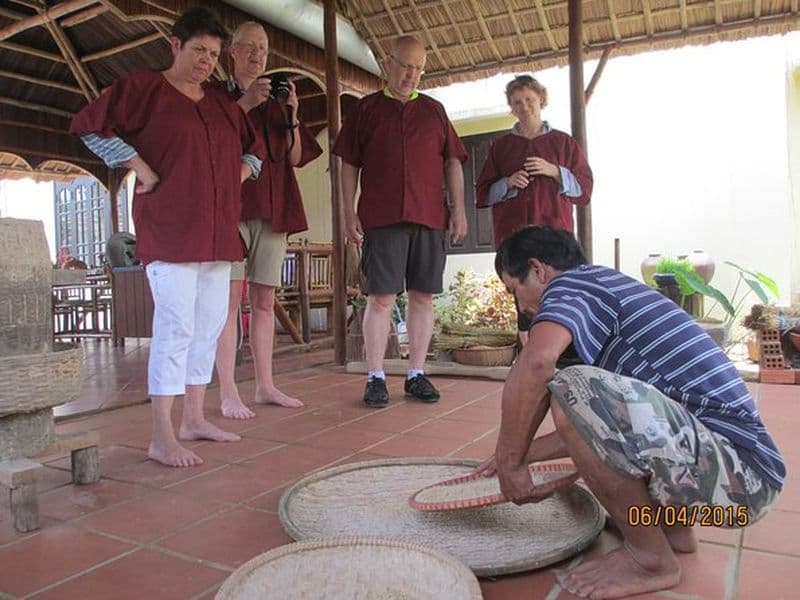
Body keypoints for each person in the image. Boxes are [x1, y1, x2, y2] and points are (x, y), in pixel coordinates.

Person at [479, 226, 784, 599]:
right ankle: (671, 530)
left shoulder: (575, 284)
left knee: (573, 387)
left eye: (515, 289)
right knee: (582, 395)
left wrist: (510, 462)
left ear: (538, 270)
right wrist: (520, 455)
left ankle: (650, 559)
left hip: (741, 480)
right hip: (739, 481)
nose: (521, 306)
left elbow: (537, 364)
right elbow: (603, 425)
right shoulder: (606, 293)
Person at [71, 7, 264, 467]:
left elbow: (254, 148)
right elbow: (87, 126)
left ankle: (194, 418)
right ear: (175, 45)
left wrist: (239, 172)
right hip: (171, 230)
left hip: (218, 233)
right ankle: (161, 434)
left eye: (213, 54)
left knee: (209, 327)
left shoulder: (220, 103)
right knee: (174, 328)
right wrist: (137, 166)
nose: (205, 61)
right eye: (198, 50)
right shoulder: (142, 90)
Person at [333, 35, 468, 408]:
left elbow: (453, 162)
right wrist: (348, 211)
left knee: (423, 298)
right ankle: (375, 376)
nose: (412, 75)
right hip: (381, 216)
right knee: (380, 299)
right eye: (406, 66)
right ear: (387, 63)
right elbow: (347, 163)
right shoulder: (365, 110)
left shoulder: (434, 111)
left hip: (429, 216)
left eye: (419, 69)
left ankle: (416, 374)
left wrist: (458, 209)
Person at [212, 22, 323, 419]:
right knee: (226, 303)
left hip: (274, 209)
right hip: (231, 209)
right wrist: (243, 105)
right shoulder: (215, 98)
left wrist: (291, 114)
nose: (258, 55)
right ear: (233, 52)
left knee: (263, 302)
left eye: (263, 49)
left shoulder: (277, 102)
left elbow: (294, 158)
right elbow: (208, 140)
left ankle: (265, 385)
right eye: (250, 48)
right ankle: (227, 390)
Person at [476, 75, 592, 343]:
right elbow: (483, 194)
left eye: (529, 99)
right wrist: (507, 183)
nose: (524, 106)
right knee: (522, 293)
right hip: (514, 236)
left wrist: (555, 171)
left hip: (554, 234)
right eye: (517, 102)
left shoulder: (564, 143)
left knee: (560, 289)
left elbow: (584, 191)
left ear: (541, 99)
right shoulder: (501, 147)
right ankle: (529, 355)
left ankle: (563, 353)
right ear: (511, 107)